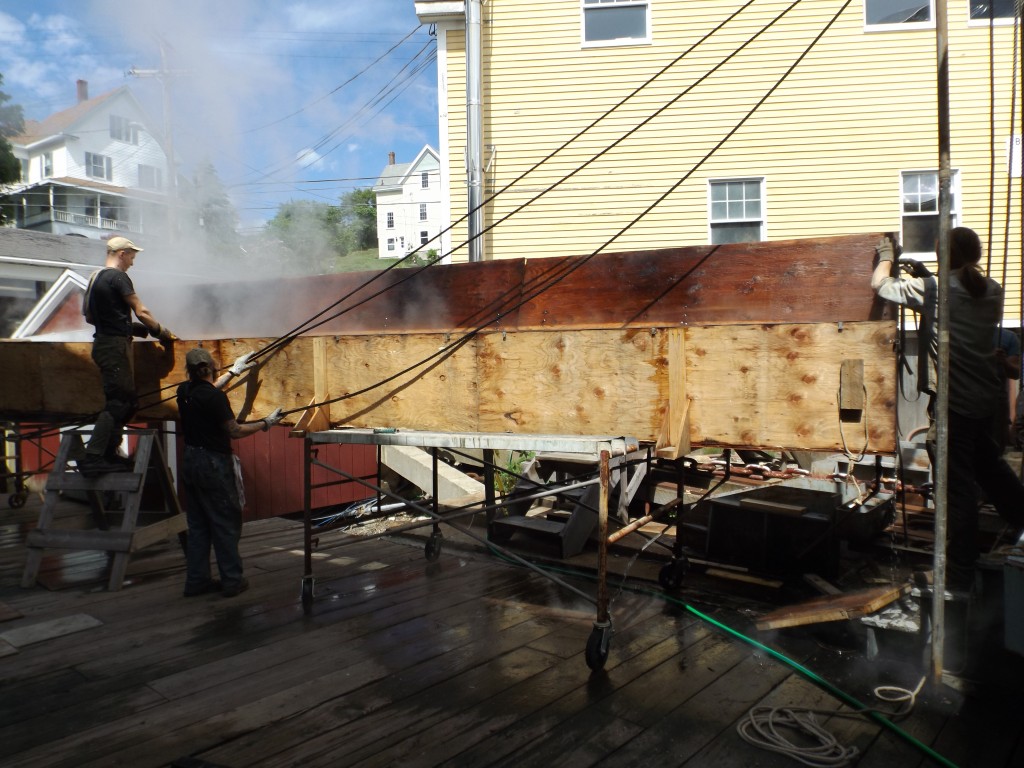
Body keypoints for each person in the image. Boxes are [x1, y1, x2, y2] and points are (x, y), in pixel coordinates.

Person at [872, 226, 1024, 591]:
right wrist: (927, 278)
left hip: (952, 404)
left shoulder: (934, 291)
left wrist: (886, 255)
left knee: (956, 491)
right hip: (983, 401)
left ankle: (958, 575)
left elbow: (879, 285)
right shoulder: (993, 292)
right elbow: (953, 305)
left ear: (943, 255)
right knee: (990, 469)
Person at [176, 346, 283, 598]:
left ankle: (196, 582)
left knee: (199, 525)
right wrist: (265, 423)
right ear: (212, 368)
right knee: (225, 524)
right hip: (213, 464)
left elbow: (209, 391)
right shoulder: (213, 397)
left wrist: (234, 373)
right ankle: (232, 581)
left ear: (189, 371)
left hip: (190, 461)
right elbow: (233, 430)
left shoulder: (184, 391)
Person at [80, 236, 177, 476]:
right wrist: (161, 332)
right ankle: (93, 457)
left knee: (129, 402)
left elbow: (91, 317)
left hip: (105, 343)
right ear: (122, 253)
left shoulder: (95, 278)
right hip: (113, 348)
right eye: (132, 256)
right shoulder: (119, 277)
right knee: (118, 402)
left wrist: (127, 328)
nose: (133, 262)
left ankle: (109, 454)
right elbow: (141, 311)